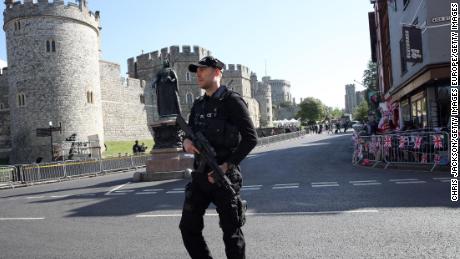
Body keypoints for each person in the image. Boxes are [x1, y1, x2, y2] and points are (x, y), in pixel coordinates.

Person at [180, 56, 257, 259]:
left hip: (225, 177)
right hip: (200, 176)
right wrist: (185, 143)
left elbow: (251, 139)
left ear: (217, 72)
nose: (198, 73)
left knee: (231, 234)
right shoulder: (198, 105)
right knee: (188, 228)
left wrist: (227, 166)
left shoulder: (232, 101)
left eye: (203, 69)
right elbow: (189, 134)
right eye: (196, 70)